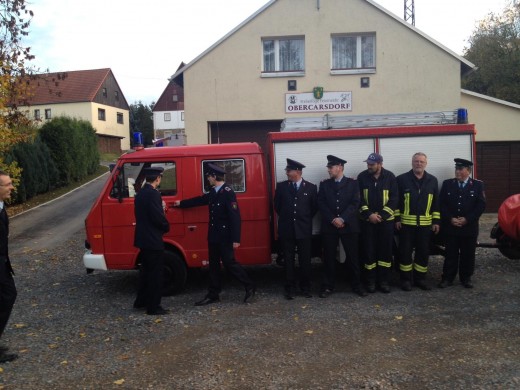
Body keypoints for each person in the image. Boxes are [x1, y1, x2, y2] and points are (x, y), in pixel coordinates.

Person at [174, 163, 255, 305]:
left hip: (225, 236)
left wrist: (236, 238)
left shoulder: (228, 192)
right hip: (214, 235)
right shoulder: (213, 191)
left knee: (230, 263)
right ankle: (213, 294)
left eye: (209, 177)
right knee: (213, 265)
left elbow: (234, 216)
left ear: (214, 176)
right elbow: (200, 200)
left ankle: (249, 286)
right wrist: (181, 203)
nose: (208, 179)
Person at [318, 155, 367, 298]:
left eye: (330, 167)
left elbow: (355, 202)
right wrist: (333, 218)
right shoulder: (325, 184)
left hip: (349, 225)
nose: (328, 170)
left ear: (339, 167)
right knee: (328, 258)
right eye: (328, 167)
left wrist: (342, 218)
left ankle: (357, 285)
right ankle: (328, 286)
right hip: (330, 226)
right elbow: (321, 203)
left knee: (353, 257)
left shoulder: (352, 183)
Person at [395, 153, 440, 291]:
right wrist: (397, 218)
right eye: (416, 161)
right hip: (406, 225)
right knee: (405, 253)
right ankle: (406, 280)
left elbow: (436, 203)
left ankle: (420, 279)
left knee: (423, 252)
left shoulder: (432, 180)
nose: (418, 164)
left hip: (425, 226)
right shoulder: (401, 179)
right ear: (412, 163)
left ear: (426, 163)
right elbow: (396, 201)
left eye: (421, 161)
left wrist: (436, 221)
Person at [274, 158, 318, 299]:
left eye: (289, 170)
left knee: (305, 260)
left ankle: (305, 288)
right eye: (287, 170)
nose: (286, 173)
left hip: (303, 229)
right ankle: (290, 288)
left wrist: (302, 219)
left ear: (298, 172)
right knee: (288, 260)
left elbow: (314, 208)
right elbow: (278, 207)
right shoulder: (281, 187)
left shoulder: (311, 188)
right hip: (287, 229)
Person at [438, 158, 486, 288]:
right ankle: (447, 278)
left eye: (460, 169)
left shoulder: (477, 185)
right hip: (451, 226)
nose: (457, 171)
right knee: (450, 254)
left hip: (468, 227)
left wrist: (467, 219)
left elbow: (481, 206)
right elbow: (441, 204)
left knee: (468, 254)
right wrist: (450, 218)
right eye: (456, 169)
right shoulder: (447, 184)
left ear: (468, 171)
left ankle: (466, 278)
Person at [357, 153, 398, 293]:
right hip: (368, 222)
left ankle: (384, 281)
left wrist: (381, 215)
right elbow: (359, 199)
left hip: (385, 223)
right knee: (369, 252)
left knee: (385, 253)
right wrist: (369, 215)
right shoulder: (362, 177)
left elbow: (394, 199)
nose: (369, 166)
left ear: (380, 164)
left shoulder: (390, 177)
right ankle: (370, 281)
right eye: (368, 164)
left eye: (372, 164)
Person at [133, 167, 170, 315]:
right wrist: (166, 226)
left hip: (143, 238)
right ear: (157, 179)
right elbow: (156, 217)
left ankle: (141, 301)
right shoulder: (153, 194)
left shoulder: (140, 193)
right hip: (153, 239)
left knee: (145, 273)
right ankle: (153, 307)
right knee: (155, 275)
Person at [0, 170, 18, 363]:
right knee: (6, 296)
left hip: (3, 263)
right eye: (8, 184)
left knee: (8, 296)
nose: (12, 187)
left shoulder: (1, 206)